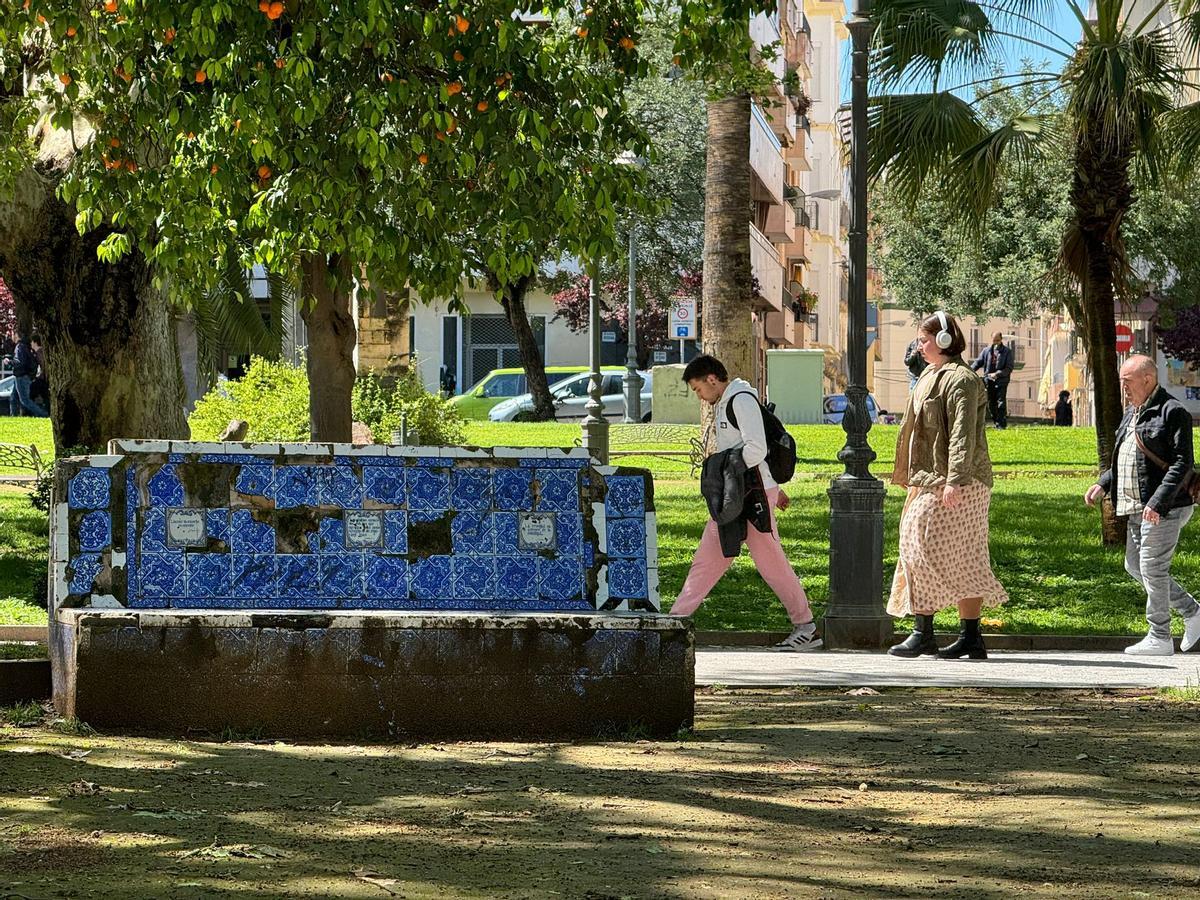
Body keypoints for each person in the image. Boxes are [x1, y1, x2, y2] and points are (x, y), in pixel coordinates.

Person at [670, 354, 821, 651]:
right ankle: (675, 621)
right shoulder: (732, 400)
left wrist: (721, 465)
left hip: (749, 497)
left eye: (699, 388)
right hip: (745, 494)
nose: (700, 396)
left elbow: (756, 448)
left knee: (768, 563)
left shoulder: (740, 400)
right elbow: (751, 452)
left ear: (712, 379)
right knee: (710, 558)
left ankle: (807, 628)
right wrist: (772, 490)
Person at [888, 311, 1008, 660]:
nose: (919, 346)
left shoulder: (962, 380)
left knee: (934, 546)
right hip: (929, 479)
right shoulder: (929, 374)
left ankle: (935, 633)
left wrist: (955, 479)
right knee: (920, 546)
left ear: (943, 341)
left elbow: (962, 434)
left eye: (923, 340)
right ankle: (956, 636)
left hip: (961, 482)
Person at [1085, 355, 1200, 656]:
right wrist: (1103, 482)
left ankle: (1159, 635)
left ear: (1147, 379)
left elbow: (1182, 462)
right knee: (1135, 566)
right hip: (1135, 506)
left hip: (1165, 507)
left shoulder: (1173, 412)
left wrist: (1159, 502)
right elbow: (1125, 456)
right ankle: (1193, 612)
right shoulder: (1131, 413)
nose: (1123, 388)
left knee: (1152, 567)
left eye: (1127, 382)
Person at [971, 331, 1014, 428]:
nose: (996, 342)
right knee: (991, 403)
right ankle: (996, 422)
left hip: (1001, 381)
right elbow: (978, 362)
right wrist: (969, 370)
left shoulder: (1007, 352)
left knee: (1000, 402)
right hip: (989, 380)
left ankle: (1001, 424)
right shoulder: (986, 351)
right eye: (994, 340)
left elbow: (1009, 368)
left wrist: (997, 374)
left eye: (998, 340)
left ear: (1001, 339)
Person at [10, 331, 48, 418]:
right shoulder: (25, 347)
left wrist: (9, 362)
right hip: (21, 376)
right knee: (13, 398)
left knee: (25, 400)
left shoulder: (20, 347)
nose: (11, 336)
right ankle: (14, 416)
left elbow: (20, 362)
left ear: (16, 335)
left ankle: (43, 414)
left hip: (21, 376)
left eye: (13, 334)